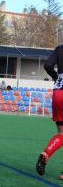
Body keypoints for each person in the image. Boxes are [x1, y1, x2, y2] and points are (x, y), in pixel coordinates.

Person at [36, 44, 63, 178]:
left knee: (62, 133)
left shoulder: (59, 49)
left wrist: (56, 77)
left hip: (58, 93)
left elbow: (47, 65)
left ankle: (46, 153)